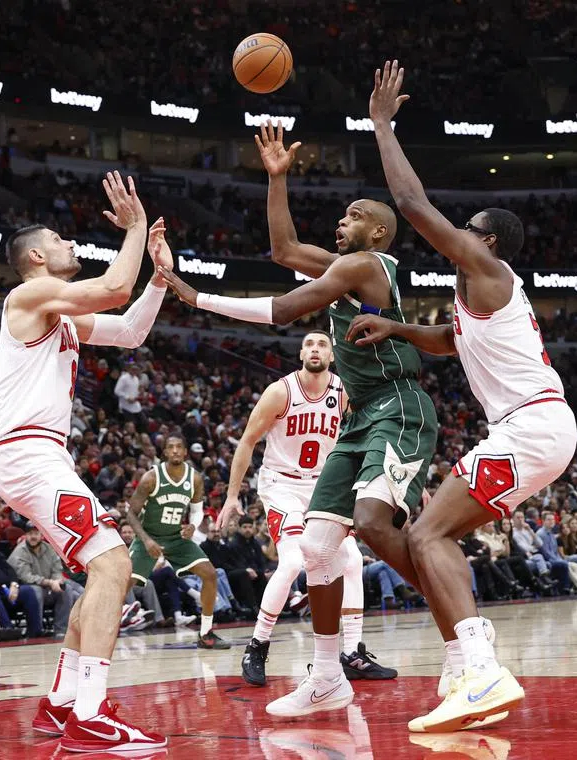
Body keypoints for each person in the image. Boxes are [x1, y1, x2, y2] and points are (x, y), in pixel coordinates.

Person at [158, 120, 438, 721]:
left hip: (397, 405)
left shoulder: (367, 266)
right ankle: (329, 674)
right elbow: (283, 251)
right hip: (359, 418)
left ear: (378, 231)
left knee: (372, 530)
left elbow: (284, 309)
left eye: (353, 215)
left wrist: (197, 296)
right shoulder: (342, 270)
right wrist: (277, 179)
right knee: (316, 547)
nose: (341, 220)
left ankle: (465, 637)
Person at [345, 60, 577, 733]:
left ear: (487, 241)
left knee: (427, 533)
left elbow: (413, 205)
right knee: (425, 539)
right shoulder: (480, 297)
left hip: (530, 426)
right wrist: (397, 329)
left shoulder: (489, 268)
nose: (460, 235)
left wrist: (382, 126)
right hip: (535, 428)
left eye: (468, 228)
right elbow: (451, 340)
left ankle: (479, 667)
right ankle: (466, 664)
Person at [0, 172, 170, 752]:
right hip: (30, 454)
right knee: (115, 565)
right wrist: (136, 228)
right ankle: (91, 715)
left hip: (37, 456)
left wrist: (160, 278)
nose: (70, 243)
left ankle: (64, 701)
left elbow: (130, 329)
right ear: (37, 256)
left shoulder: (58, 313)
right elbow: (115, 288)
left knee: (101, 570)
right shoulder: (27, 296)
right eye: (60, 240)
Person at [225, 333, 395, 686]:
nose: (315, 349)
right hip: (282, 484)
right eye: (309, 344)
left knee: (351, 560)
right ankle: (257, 644)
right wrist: (231, 496)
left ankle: (353, 653)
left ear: (332, 356)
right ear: (301, 353)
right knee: (291, 562)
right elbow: (248, 441)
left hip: (323, 486)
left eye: (322, 344)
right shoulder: (280, 392)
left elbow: (367, 437)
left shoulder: (343, 392)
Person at [126, 435, 228, 649]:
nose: (174, 451)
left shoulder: (195, 478)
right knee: (123, 584)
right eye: (170, 447)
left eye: (179, 447)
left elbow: (197, 511)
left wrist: (192, 525)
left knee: (210, 574)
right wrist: (146, 541)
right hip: (149, 538)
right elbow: (131, 514)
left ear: (185, 452)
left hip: (176, 537)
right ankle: (99, 628)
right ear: (164, 452)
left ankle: (206, 633)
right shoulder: (151, 478)